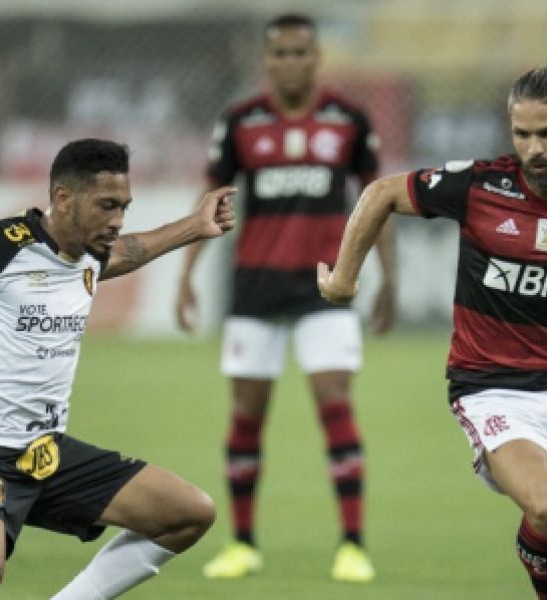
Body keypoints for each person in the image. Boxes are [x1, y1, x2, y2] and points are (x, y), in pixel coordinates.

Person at [317, 58, 547, 599]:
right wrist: (345, 277)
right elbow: (381, 193)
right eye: (522, 134)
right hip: (492, 390)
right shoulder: (479, 186)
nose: (533, 149)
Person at [0, 138, 236, 600]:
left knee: (189, 514)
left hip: (46, 452)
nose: (117, 220)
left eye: (124, 207)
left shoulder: (91, 254)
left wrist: (195, 225)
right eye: (107, 205)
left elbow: (131, 251)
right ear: (64, 198)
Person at [175, 13, 395, 583]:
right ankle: (242, 543)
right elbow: (212, 196)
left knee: (334, 403)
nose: (291, 62)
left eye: (301, 52)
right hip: (255, 287)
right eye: (281, 53)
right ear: (266, 59)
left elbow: (377, 200)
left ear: (316, 57)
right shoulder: (240, 121)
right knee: (247, 415)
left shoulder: (348, 119)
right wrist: (186, 275)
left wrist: (387, 280)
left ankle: (353, 545)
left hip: (326, 286)